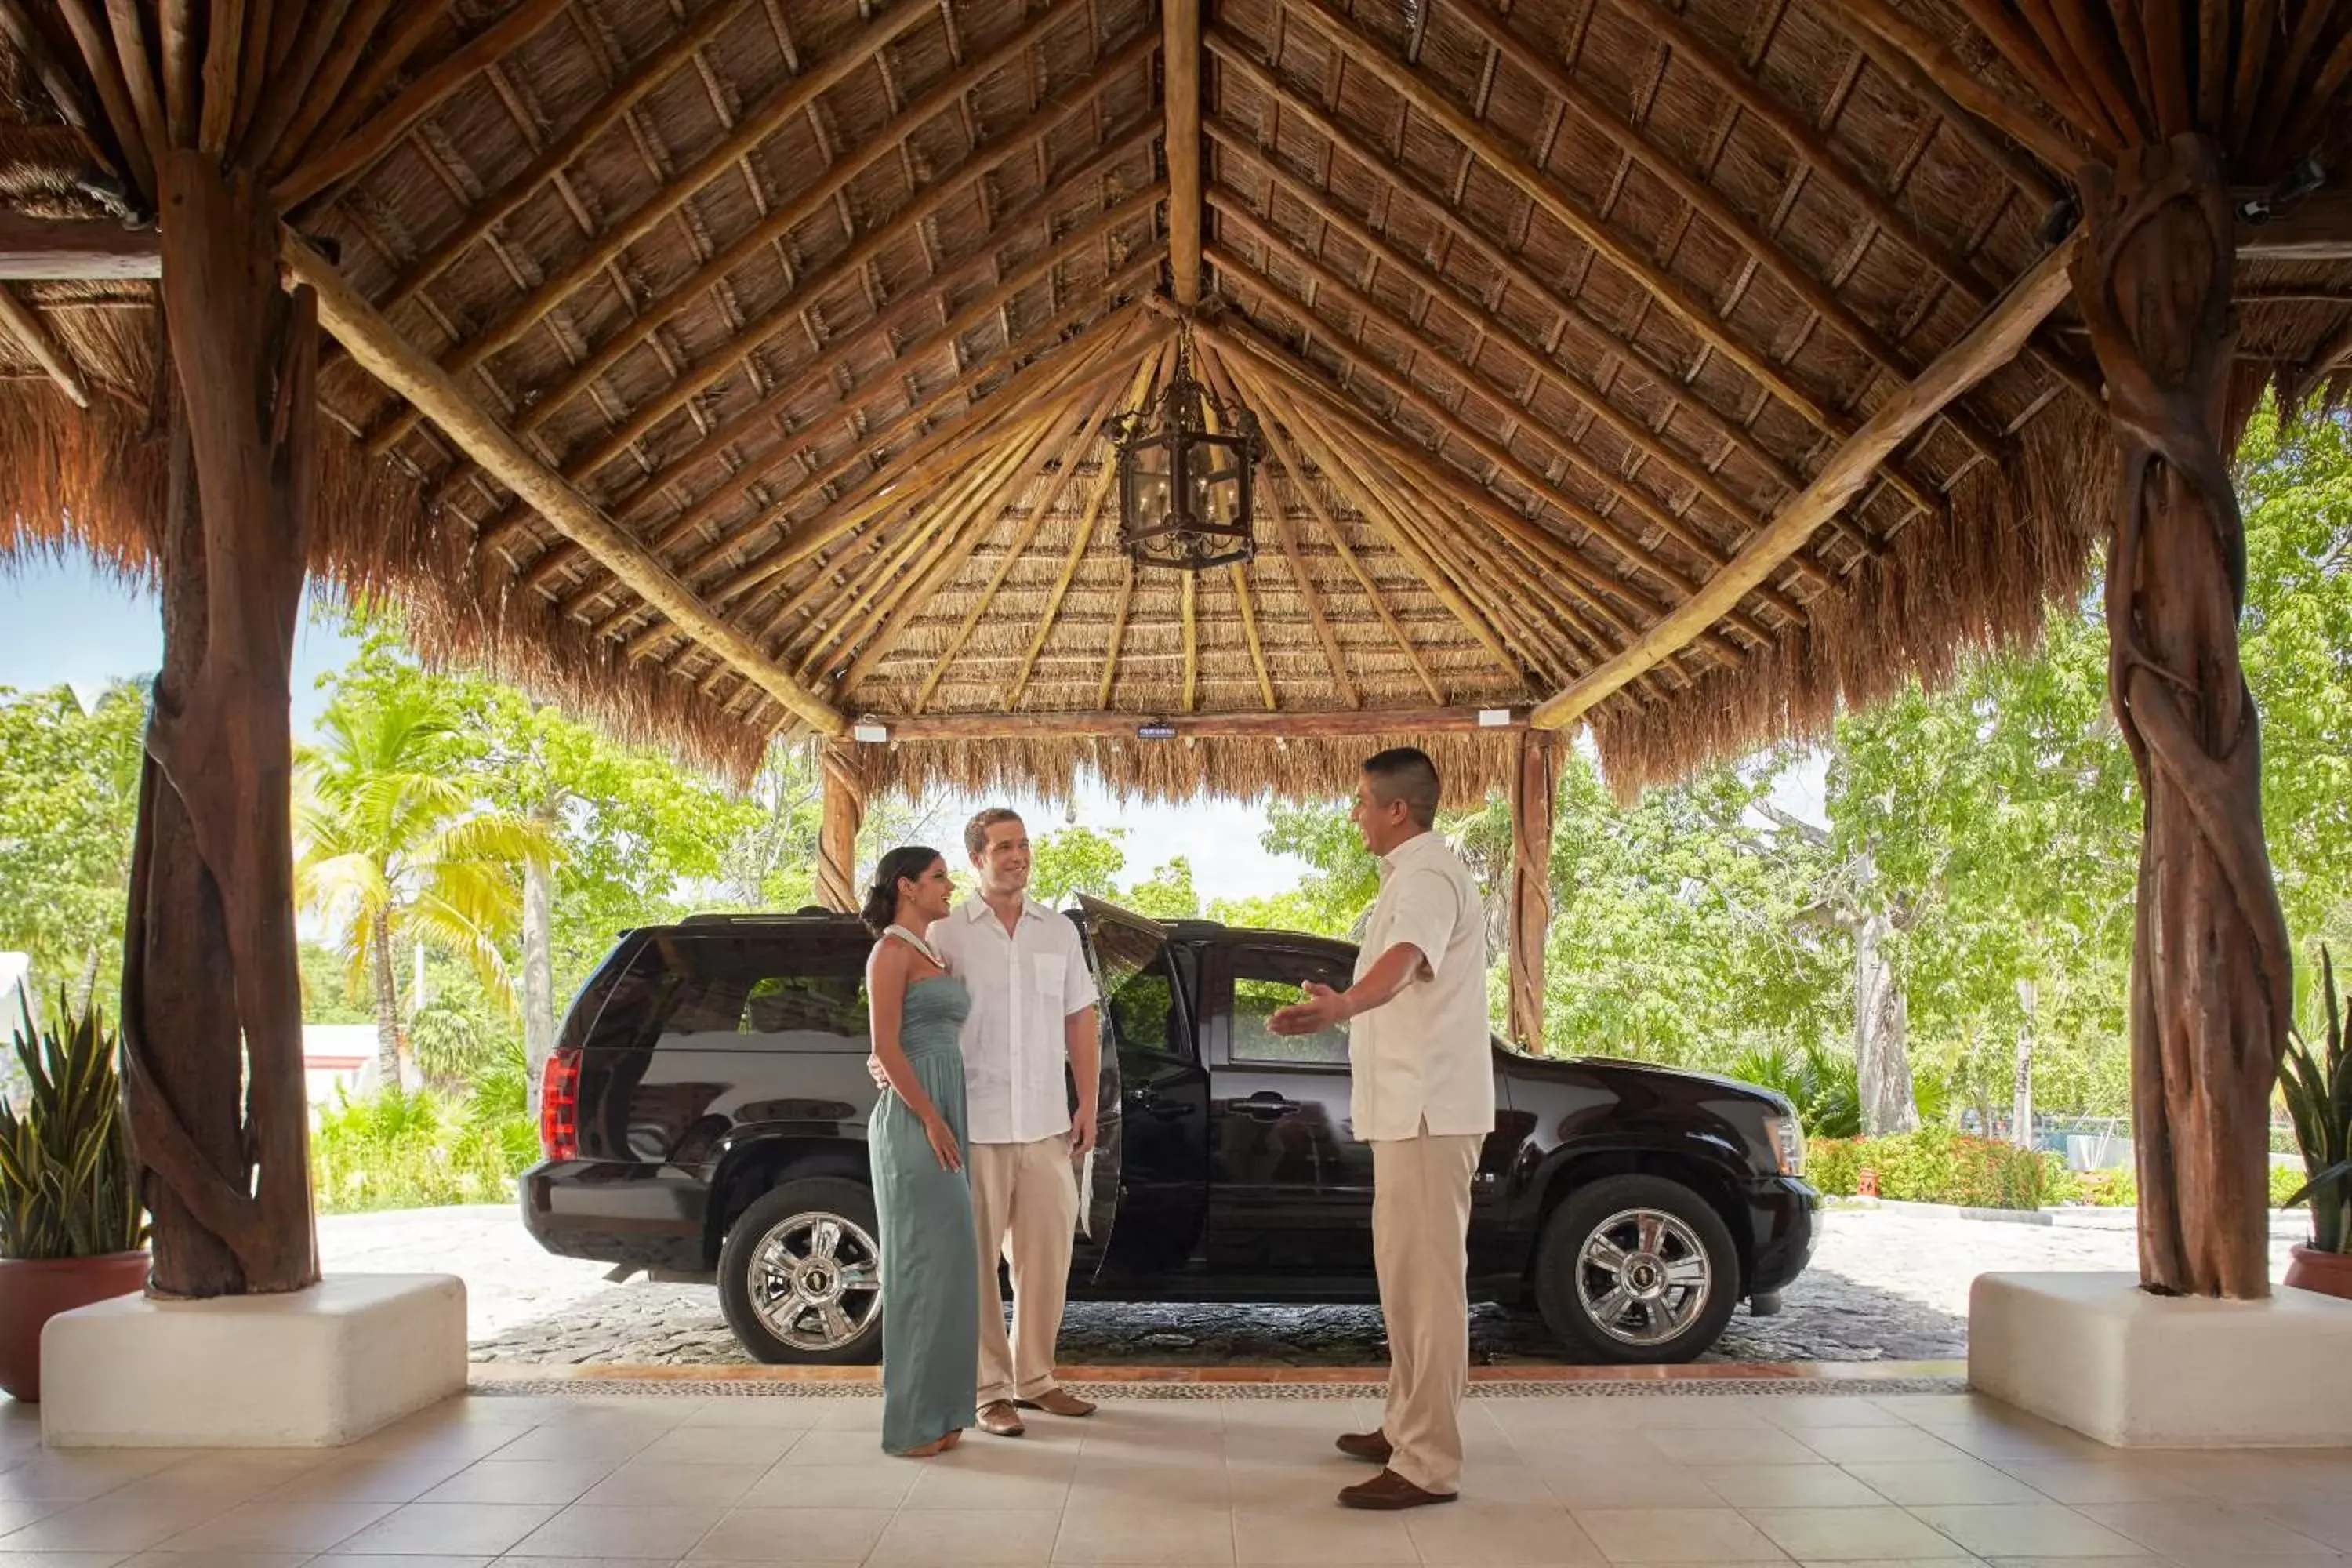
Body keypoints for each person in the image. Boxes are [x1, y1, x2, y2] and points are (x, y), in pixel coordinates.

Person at [1269, 749, 1491, 1511]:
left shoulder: (1426, 875)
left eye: (1363, 799)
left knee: (1426, 1289)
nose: (1355, 811)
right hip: (1413, 1113)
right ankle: (1406, 1423)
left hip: (1428, 1113)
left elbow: (1404, 961)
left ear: (1398, 808)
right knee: (1408, 1283)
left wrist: (1343, 1005)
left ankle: (1428, 1461)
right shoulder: (1412, 874)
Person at [879, 808, 1102, 1437]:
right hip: (971, 1122)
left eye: (1025, 844)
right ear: (976, 857)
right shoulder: (945, 931)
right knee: (975, 1265)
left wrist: (1086, 1101)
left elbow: (1079, 1020)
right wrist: (884, 1060)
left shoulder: (1057, 931)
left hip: (1044, 1125)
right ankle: (989, 1391)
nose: (1019, 855)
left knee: (1047, 1259)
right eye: (1005, 846)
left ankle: (1037, 1378)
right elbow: (906, 1012)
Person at [862, 845, 980, 1458]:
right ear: (906, 886)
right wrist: (930, 1118)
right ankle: (911, 1423)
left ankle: (946, 1408)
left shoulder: (931, 951)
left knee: (952, 1267)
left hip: (942, 1112)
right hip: (915, 1123)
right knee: (918, 1268)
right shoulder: (890, 951)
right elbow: (884, 1045)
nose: (949, 885)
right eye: (939, 877)